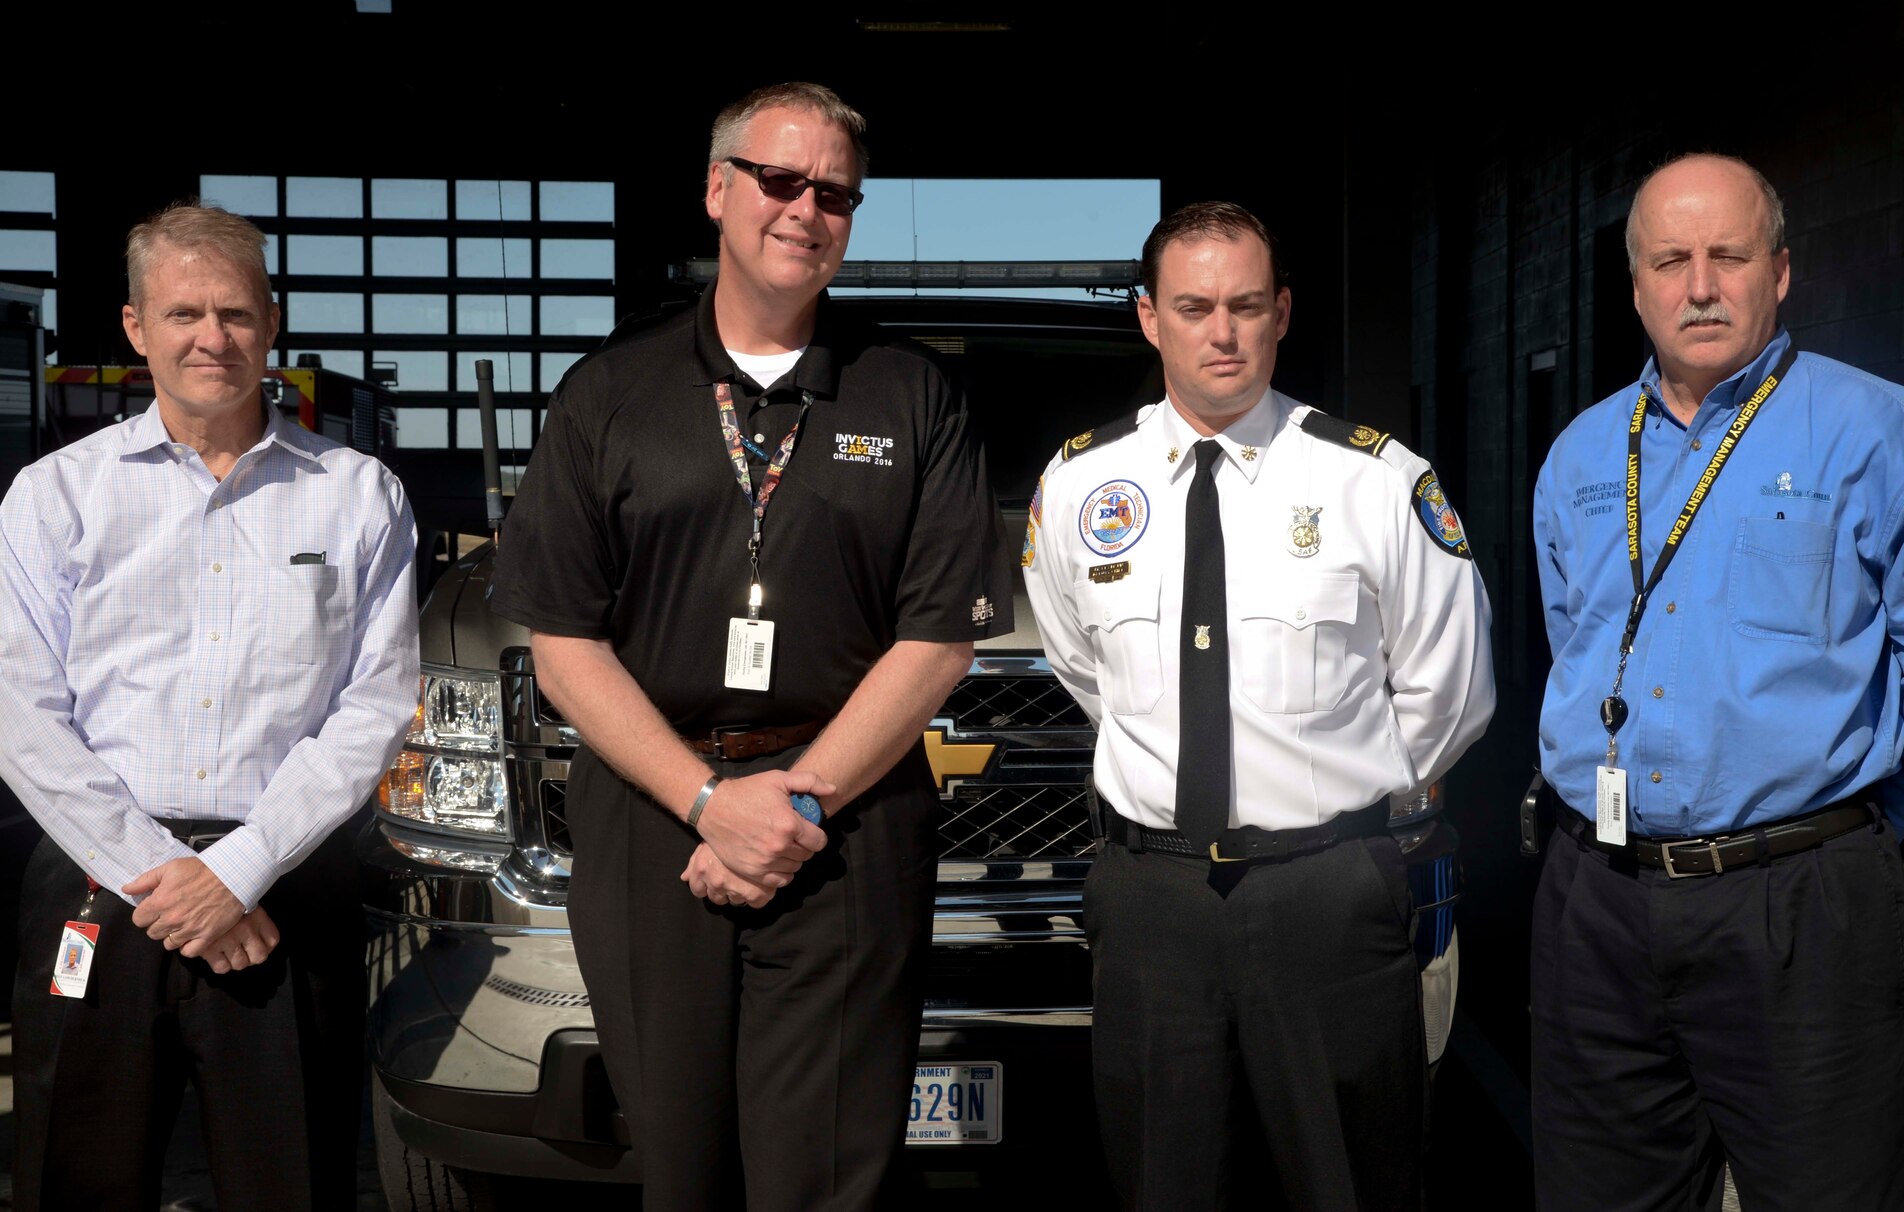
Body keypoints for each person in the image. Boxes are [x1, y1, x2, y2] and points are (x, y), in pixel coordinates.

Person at [489, 81, 1011, 1212]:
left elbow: (937, 642)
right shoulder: (608, 394)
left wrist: (791, 804)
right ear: (718, 190)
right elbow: (563, 642)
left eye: (835, 192)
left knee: (825, 1174)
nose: (806, 209)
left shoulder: (914, 395)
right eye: (781, 180)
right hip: (651, 814)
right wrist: (706, 803)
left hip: (848, 821)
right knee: (679, 1169)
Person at [1530, 152, 1904, 1211]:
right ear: (1637, 283)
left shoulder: (1878, 431)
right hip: (1595, 908)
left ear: (1777, 273)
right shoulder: (1577, 456)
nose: (1698, 285)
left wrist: (1840, 831)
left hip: (1803, 908)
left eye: (1726, 257)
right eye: (1669, 260)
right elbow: (1576, 644)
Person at [1022, 201, 1495, 1211]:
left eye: (1244, 305)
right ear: (1150, 319)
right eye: (1193, 307)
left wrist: (1339, 802)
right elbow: (1081, 668)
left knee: (1349, 1186)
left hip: (1326, 892)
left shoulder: (1372, 479)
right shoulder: (1076, 484)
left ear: (1281, 312)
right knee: (1162, 1185)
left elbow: (1447, 689)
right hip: (1151, 901)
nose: (1221, 331)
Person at [0, 203, 420, 1210]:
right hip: (100, 886)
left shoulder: (358, 496)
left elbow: (375, 706)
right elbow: (20, 713)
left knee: (293, 1181)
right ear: (136, 327)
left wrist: (236, 869)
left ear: (272, 323)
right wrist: (165, 878)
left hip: (284, 887)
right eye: (182, 312)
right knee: (78, 1173)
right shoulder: (56, 496)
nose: (211, 337)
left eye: (235, 312)